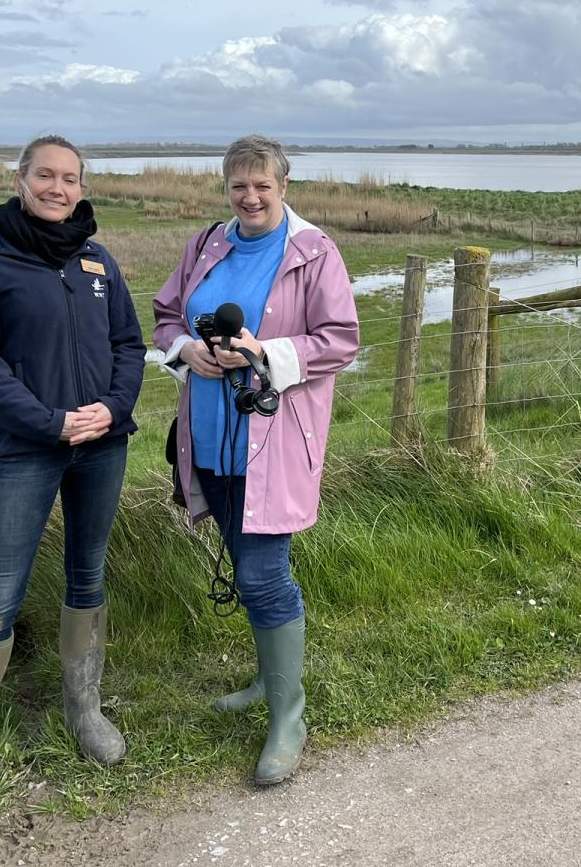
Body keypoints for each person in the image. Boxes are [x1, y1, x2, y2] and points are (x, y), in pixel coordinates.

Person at [0, 134, 145, 807]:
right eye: (45, 175)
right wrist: (51, 422)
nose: (58, 187)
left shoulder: (97, 260)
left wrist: (109, 409)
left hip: (103, 444)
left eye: (70, 178)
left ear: (81, 186)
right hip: (27, 450)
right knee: (0, 592)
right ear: (20, 179)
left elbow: (129, 345)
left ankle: (86, 712)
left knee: (88, 574)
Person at [152, 134, 359, 787]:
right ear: (226, 189)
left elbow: (340, 340)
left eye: (262, 185)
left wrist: (262, 353)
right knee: (247, 567)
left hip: (271, 443)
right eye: (238, 185)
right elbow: (163, 317)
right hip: (210, 440)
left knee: (266, 576)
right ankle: (267, 682)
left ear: (284, 186)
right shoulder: (206, 244)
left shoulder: (313, 252)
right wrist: (189, 351)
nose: (250, 197)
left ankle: (287, 720)